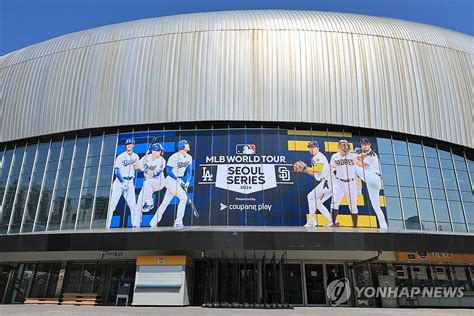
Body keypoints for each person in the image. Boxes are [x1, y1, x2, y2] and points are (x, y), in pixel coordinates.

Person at [149, 139, 193, 228]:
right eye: (186, 144)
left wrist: (187, 181)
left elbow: (189, 171)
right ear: (182, 147)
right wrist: (177, 179)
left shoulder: (189, 157)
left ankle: (153, 221)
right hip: (171, 180)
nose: (188, 145)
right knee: (183, 197)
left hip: (179, 180)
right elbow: (168, 171)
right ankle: (178, 222)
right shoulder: (174, 157)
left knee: (165, 202)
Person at [355, 138, 388, 229]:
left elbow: (365, 166)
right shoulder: (367, 154)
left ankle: (358, 189)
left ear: (369, 145)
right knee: (376, 206)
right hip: (372, 181)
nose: (364, 146)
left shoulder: (371, 154)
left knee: (352, 165)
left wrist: (356, 158)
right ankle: (384, 226)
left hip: (373, 177)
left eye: (366, 144)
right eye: (363, 144)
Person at [106, 138, 140, 228]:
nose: (129, 145)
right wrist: (123, 182)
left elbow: (136, 169)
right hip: (119, 182)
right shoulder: (121, 156)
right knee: (112, 206)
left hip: (130, 181)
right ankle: (107, 226)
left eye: (130, 144)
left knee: (133, 206)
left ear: (133, 145)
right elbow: (116, 172)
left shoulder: (136, 156)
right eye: (127, 144)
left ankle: (135, 226)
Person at [135, 143, 167, 226]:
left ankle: (149, 203)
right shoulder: (146, 157)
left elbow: (155, 173)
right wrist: (138, 164)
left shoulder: (162, 160)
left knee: (147, 183)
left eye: (159, 150)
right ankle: (136, 224)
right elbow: (134, 167)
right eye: (156, 150)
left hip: (158, 182)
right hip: (148, 184)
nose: (158, 152)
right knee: (139, 202)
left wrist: (142, 168)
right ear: (152, 151)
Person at [330, 140, 359, 227]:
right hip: (339, 183)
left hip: (351, 183)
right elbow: (331, 169)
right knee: (334, 202)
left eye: (346, 145)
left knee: (353, 206)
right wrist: (328, 180)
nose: (345, 146)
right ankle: (333, 222)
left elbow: (362, 160)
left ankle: (355, 226)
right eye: (343, 145)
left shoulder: (354, 156)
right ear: (339, 146)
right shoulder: (335, 156)